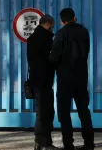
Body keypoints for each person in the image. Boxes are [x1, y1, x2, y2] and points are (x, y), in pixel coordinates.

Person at [48, 8, 95, 150]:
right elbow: (86, 50)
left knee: (64, 112)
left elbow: (54, 57)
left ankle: (68, 144)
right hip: (81, 78)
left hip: (65, 79)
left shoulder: (61, 34)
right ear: (75, 18)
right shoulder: (84, 32)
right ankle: (89, 144)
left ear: (62, 21)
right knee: (83, 111)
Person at [27, 14, 59, 150]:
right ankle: (44, 143)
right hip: (44, 80)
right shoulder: (45, 38)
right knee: (45, 112)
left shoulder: (32, 38)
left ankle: (41, 142)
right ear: (48, 24)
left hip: (36, 79)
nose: (53, 28)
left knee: (42, 111)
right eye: (52, 25)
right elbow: (50, 58)